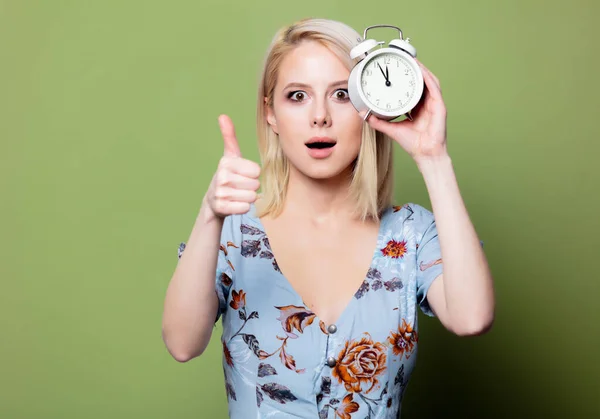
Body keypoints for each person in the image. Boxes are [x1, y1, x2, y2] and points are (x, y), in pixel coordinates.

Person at [162, 17, 495, 419]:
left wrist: (433, 158)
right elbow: (181, 343)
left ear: (369, 105)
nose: (319, 116)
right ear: (270, 114)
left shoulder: (411, 234)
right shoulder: (234, 231)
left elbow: (472, 317)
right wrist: (209, 213)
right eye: (297, 96)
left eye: (340, 94)